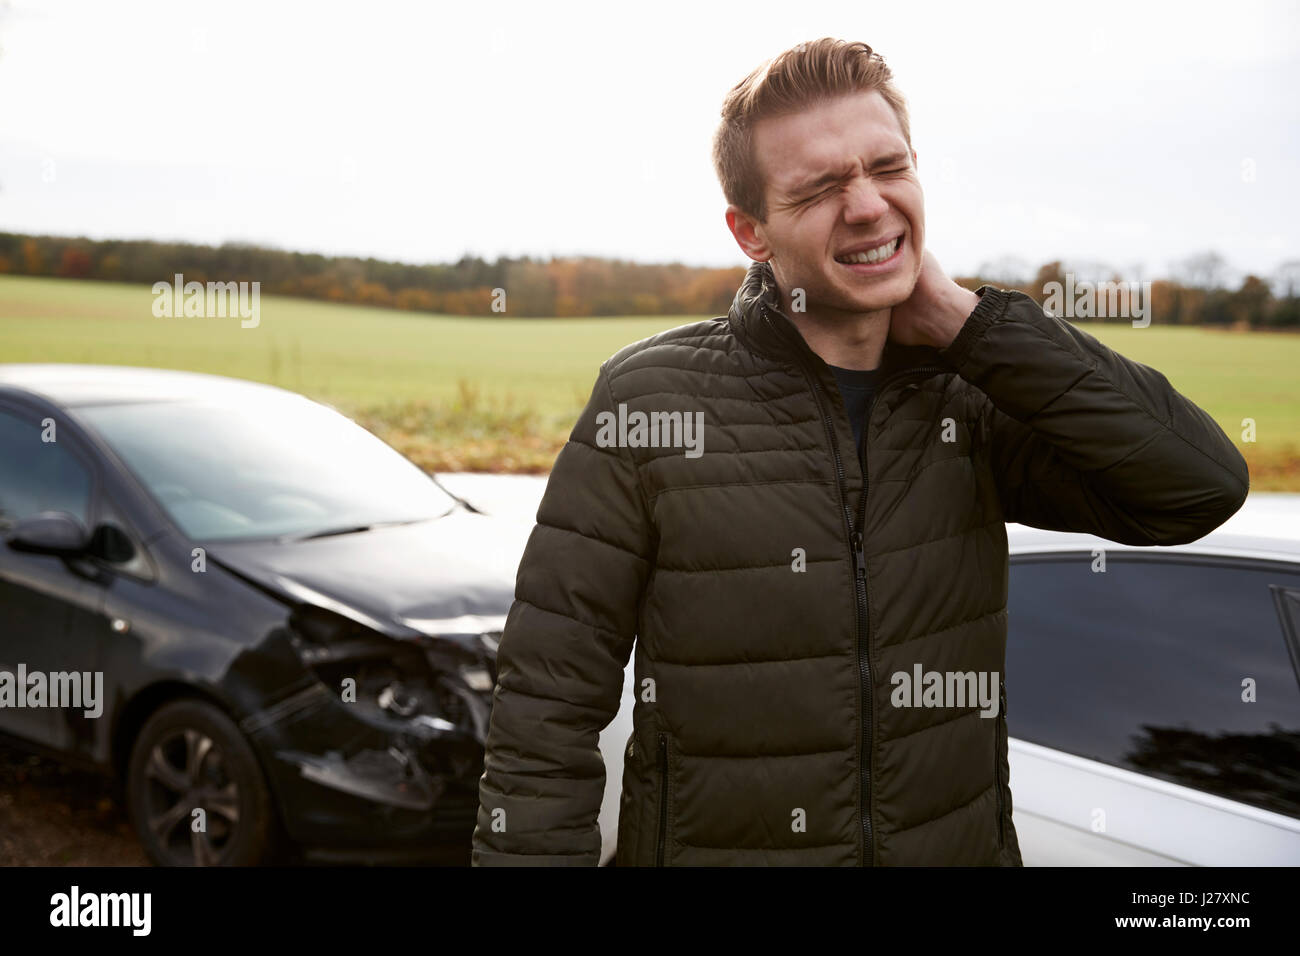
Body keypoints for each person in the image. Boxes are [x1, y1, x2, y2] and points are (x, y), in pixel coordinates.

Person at [471, 37, 1250, 866]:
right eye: (820, 187)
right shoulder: (648, 399)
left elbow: (1196, 486)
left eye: (888, 167)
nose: (870, 205)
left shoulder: (973, 397)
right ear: (750, 232)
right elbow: (543, 715)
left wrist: (965, 321)